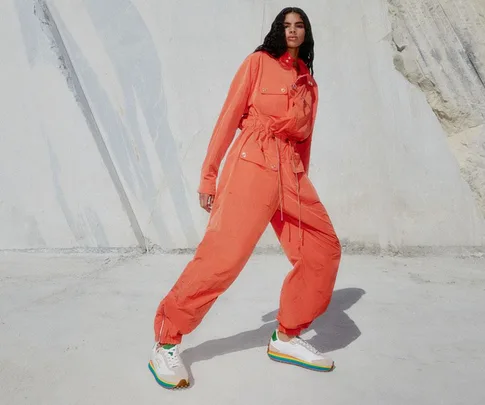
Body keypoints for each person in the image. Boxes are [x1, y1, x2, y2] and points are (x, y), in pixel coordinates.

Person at [148, 7, 342, 389]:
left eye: (299, 25)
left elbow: (305, 140)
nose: (292, 30)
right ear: (277, 30)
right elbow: (228, 116)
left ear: (307, 33)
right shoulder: (257, 63)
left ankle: (285, 337)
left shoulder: (309, 83)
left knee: (323, 248)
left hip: (291, 172)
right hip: (251, 163)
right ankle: (166, 340)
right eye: (286, 25)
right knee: (223, 258)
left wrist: (301, 183)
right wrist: (209, 176)